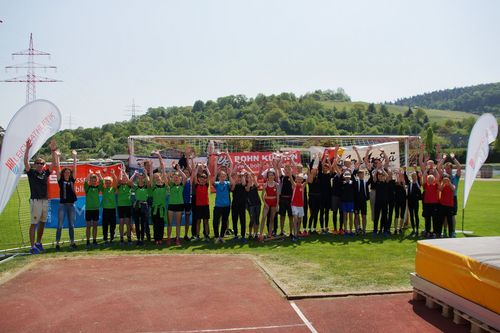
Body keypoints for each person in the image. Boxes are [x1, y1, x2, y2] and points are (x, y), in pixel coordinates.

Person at [24, 139, 58, 254]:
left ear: (44, 165)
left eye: (42, 163)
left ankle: (38, 243)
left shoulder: (45, 173)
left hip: (45, 201)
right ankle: (32, 246)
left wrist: (53, 150)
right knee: (34, 223)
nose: (39, 165)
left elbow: (53, 163)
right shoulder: (31, 173)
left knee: (43, 222)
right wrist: (28, 148)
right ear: (35, 164)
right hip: (36, 201)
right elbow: (25, 162)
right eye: (37, 163)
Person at [55, 149, 78, 250]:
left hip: (71, 205)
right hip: (63, 205)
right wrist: (58, 157)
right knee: (60, 224)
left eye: (69, 172)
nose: (67, 174)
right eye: (66, 172)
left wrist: (74, 157)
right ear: (63, 173)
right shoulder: (60, 180)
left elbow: (75, 168)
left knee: (71, 225)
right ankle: (57, 243)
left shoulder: (73, 179)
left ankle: (72, 242)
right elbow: (58, 167)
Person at [150, 153, 168, 245]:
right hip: (155, 208)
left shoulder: (165, 185)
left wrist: (159, 156)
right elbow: (150, 175)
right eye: (155, 177)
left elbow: (163, 170)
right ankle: (156, 239)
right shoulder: (153, 186)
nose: (157, 178)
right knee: (155, 224)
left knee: (161, 224)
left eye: (158, 177)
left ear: (161, 177)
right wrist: (151, 166)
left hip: (162, 208)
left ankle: (160, 239)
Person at [167, 164, 187, 246]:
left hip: (179, 205)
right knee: (170, 223)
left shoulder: (182, 185)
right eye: (174, 177)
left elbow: (185, 177)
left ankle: (177, 239)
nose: (176, 178)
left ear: (179, 178)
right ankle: (168, 238)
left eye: (177, 177)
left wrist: (179, 170)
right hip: (171, 205)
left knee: (178, 224)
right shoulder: (171, 185)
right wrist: (172, 169)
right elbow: (167, 177)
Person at [213, 155, 232, 244]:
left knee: (224, 222)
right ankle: (216, 237)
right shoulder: (216, 184)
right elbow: (212, 181)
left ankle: (221, 236)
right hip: (218, 206)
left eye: (224, 176)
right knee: (215, 222)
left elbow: (231, 165)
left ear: (226, 177)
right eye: (221, 175)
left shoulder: (228, 183)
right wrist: (217, 169)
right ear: (219, 176)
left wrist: (227, 154)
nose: (222, 177)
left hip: (226, 206)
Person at [259, 168, 279, 242]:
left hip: (274, 202)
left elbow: (277, 196)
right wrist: (265, 203)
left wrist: (277, 205)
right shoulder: (265, 184)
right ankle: (260, 234)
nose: (270, 176)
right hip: (267, 202)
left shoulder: (276, 184)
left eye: (272, 175)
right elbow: (262, 195)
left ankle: (269, 234)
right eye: (269, 175)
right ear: (267, 176)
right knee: (263, 217)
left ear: (274, 176)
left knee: (271, 219)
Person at [84, 170, 102, 249]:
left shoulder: (98, 188)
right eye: (92, 180)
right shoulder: (87, 188)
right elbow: (85, 180)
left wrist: (99, 174)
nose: (94, 182)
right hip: (88, 209)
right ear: (90, 181)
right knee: (88, 226)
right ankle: (88, 241)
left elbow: (102, 181)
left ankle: (94, 240)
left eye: (95, 181)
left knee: (95, 226)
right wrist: (90, 174)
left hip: (96, 209)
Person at [131, 169, 150, 245]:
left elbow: (148, 181)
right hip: (136, 205)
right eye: (140, 176)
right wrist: (135, 174)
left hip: (144, 205)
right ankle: (138, 239)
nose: (141, 177)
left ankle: (142, 239)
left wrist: (145, 173)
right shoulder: (136, 186)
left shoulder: (146, 186)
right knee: (136, 223)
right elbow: (129, 182)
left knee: (143, 223)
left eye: (142, 176)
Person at [192, 163, 211, 241]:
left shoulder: (206, 185)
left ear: (205, 180)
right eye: (201, 178)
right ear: (199, 179)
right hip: (198, 206)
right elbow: (194, 176)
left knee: (206, 221)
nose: (202, 180)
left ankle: (206, 235)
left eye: (204, 179)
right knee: (198, 221)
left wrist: (206, 167)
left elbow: (209, 175)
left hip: (205, 205)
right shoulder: (197, 185)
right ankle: (197, 235)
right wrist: (197, 167)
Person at [117, 167, 134, 245]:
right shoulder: (119, 185)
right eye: (123, 178)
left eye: (125, 178)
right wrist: (121, 172)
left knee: (128, 222)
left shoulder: (129, 185)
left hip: (128, 206)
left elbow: (129, 181)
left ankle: (129, 238)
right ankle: (121, 238)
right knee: (121, 222)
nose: (124, 179)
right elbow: (118, 180)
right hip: (121, 206)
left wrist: (124, 172)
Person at [101, 169, 118, 244]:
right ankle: (105, 237)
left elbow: (116, 182)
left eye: (109, 181)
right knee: (105, 224)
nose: (108, 182)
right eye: (106, 181)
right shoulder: (103, 189)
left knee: (112, 224)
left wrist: (113, 174)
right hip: (105, 209)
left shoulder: (113, 189)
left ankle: (112, 237)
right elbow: (101, 182)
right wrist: (99, 175)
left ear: (111, 182)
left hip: (112, 209)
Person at [231, 169, 248, 242]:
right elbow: (232, 189)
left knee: (242, 221)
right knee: (234, 220)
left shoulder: (243, 184)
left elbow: (244, 183)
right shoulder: (234, 185)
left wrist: (243, 175)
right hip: (234, 205)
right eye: (238, 177)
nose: (239, 178)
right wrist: (236, 179)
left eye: (240, 177)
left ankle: (243, 236)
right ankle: (235, 235)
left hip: (242, 205)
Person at [405, 167, 422, 237]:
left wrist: (416, 170)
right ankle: (413, 229)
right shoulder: (410, 183)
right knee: (411, 216)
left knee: (416, 215)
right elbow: (406, 179)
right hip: (410, 202)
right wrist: (405, 171)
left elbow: (420, 194)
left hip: (415, 202)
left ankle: (417, 229)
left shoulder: (418, 183)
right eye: (412, 176)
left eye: (414, 176)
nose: (413, 177)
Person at [245, 170, 261, 240]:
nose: (250, 178)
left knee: (257, 219)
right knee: (252, 219)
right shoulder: (245, 185)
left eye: (250, 177)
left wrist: (252, 177)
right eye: (248, 177)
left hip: (258, 203)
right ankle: (250, 234)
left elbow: (257, 185)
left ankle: (256, 234)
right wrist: (249, 181)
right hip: (250, 205)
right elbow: (248, 190)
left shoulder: (255, 184)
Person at [290, 172, 305, 241]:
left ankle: (297, 234)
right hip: (294, 205)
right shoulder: (294, 185)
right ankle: (295, 235)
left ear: (302, 180)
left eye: (300, 179)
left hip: (300, 205)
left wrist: (308, 171)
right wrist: (290, 173)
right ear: (296, 179)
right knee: (295, 219)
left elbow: (307, 180)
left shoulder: (303, 186)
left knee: (299, 220)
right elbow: (291, 178)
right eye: (298, 179)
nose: (299, 180)